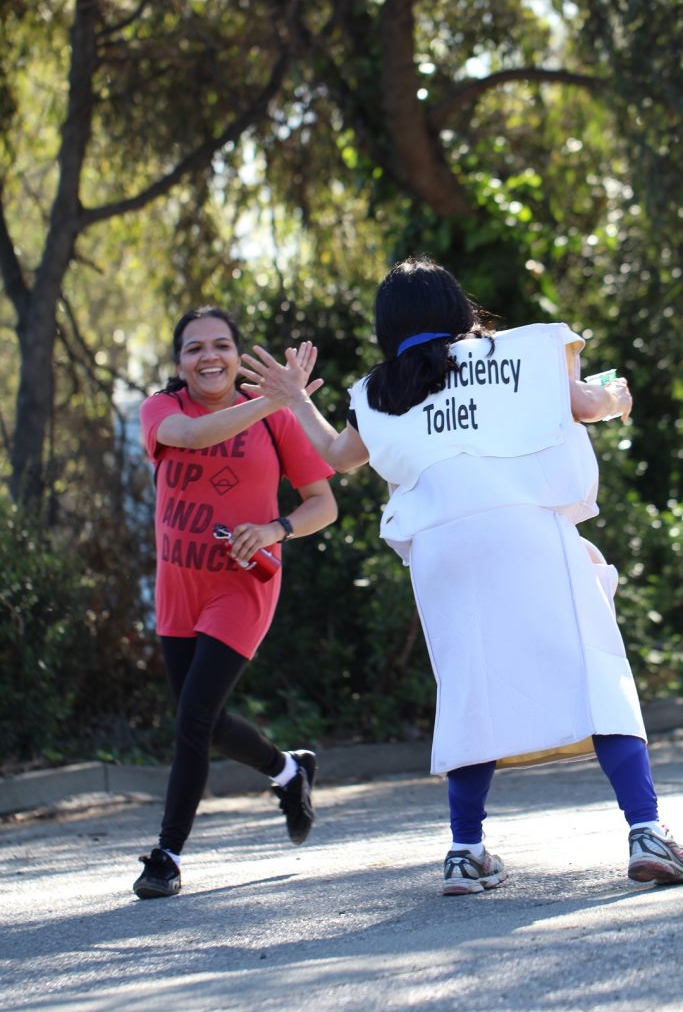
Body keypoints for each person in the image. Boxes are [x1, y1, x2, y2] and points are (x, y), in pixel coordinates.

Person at [240, 256, 683, 895]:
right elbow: (588, 404)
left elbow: (337, 457)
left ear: (388, 326)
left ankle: (465, 852)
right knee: (595, 671)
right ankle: (645, 831)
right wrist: (617, 397)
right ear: (455, 306)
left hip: (439, 549)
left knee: (469, 692)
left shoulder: (379, 390)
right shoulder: (519, 352)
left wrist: (296, 398)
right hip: (524, 526)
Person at [133, 305, 337, 899]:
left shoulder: (275, 420)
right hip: (178, 586)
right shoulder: (162, 409)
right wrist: (275, 399)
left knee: (194, 719)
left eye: (221, 345)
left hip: (241, 585)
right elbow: (194, 436)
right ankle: (289, 770)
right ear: (180, 363)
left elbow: (323, 505)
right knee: (207, 721)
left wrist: (275, 529)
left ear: (237, 354)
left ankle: (167, 856)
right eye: (194, 348)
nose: (209, 356)